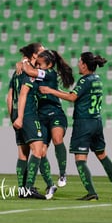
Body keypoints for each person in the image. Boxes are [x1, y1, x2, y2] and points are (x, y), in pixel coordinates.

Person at [39, 51, 112, 201]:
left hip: (84, 123)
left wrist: (50, 90)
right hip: (97, 122)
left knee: (80, 159)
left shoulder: (85, 81)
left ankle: (91, 192)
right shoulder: (97, 79)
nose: (78, 64)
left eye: (80, 62)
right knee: (102, 155)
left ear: (85, 65)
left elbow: (72, 97)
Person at [7, 42, 54, 199]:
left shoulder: (17, 72)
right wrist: (21, 117)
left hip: (17, 115)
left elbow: (9, 96)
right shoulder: (29, 73)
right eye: (41, 50)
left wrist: (12, 116)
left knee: (23, 154)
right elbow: (23, 94)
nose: (44, 51)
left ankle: (22, 190)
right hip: (27, 114)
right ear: (34, 55)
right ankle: (29, 188)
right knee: (38, 150)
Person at [22, 49, 74, 188]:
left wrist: (24, 61)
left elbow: (31, 71)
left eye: (40, 64)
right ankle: (50, 184)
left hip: (55, 113)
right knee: (41, 152)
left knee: (57, 139)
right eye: (37, 64)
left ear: (49, 65)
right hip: (41, 116)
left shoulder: (50, 73)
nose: (38, 67)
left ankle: (62, 173)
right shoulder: (40, 76)